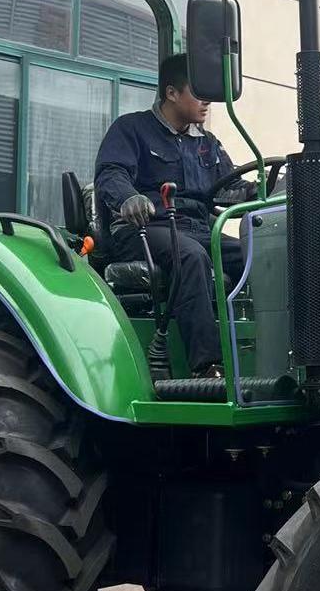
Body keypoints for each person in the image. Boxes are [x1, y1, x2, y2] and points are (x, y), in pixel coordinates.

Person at [94, 54, 250, 372]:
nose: (207, 101)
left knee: (257, 254)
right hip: (145, 228)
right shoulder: (132, 129)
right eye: (198, 91)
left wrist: (269, 188)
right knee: (191, 255)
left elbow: (228, 189)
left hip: (197, 228)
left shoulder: (207, 143)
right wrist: (129, 197)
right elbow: (111, 173)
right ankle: (207, 367)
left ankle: (268, 353)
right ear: (171, 93)